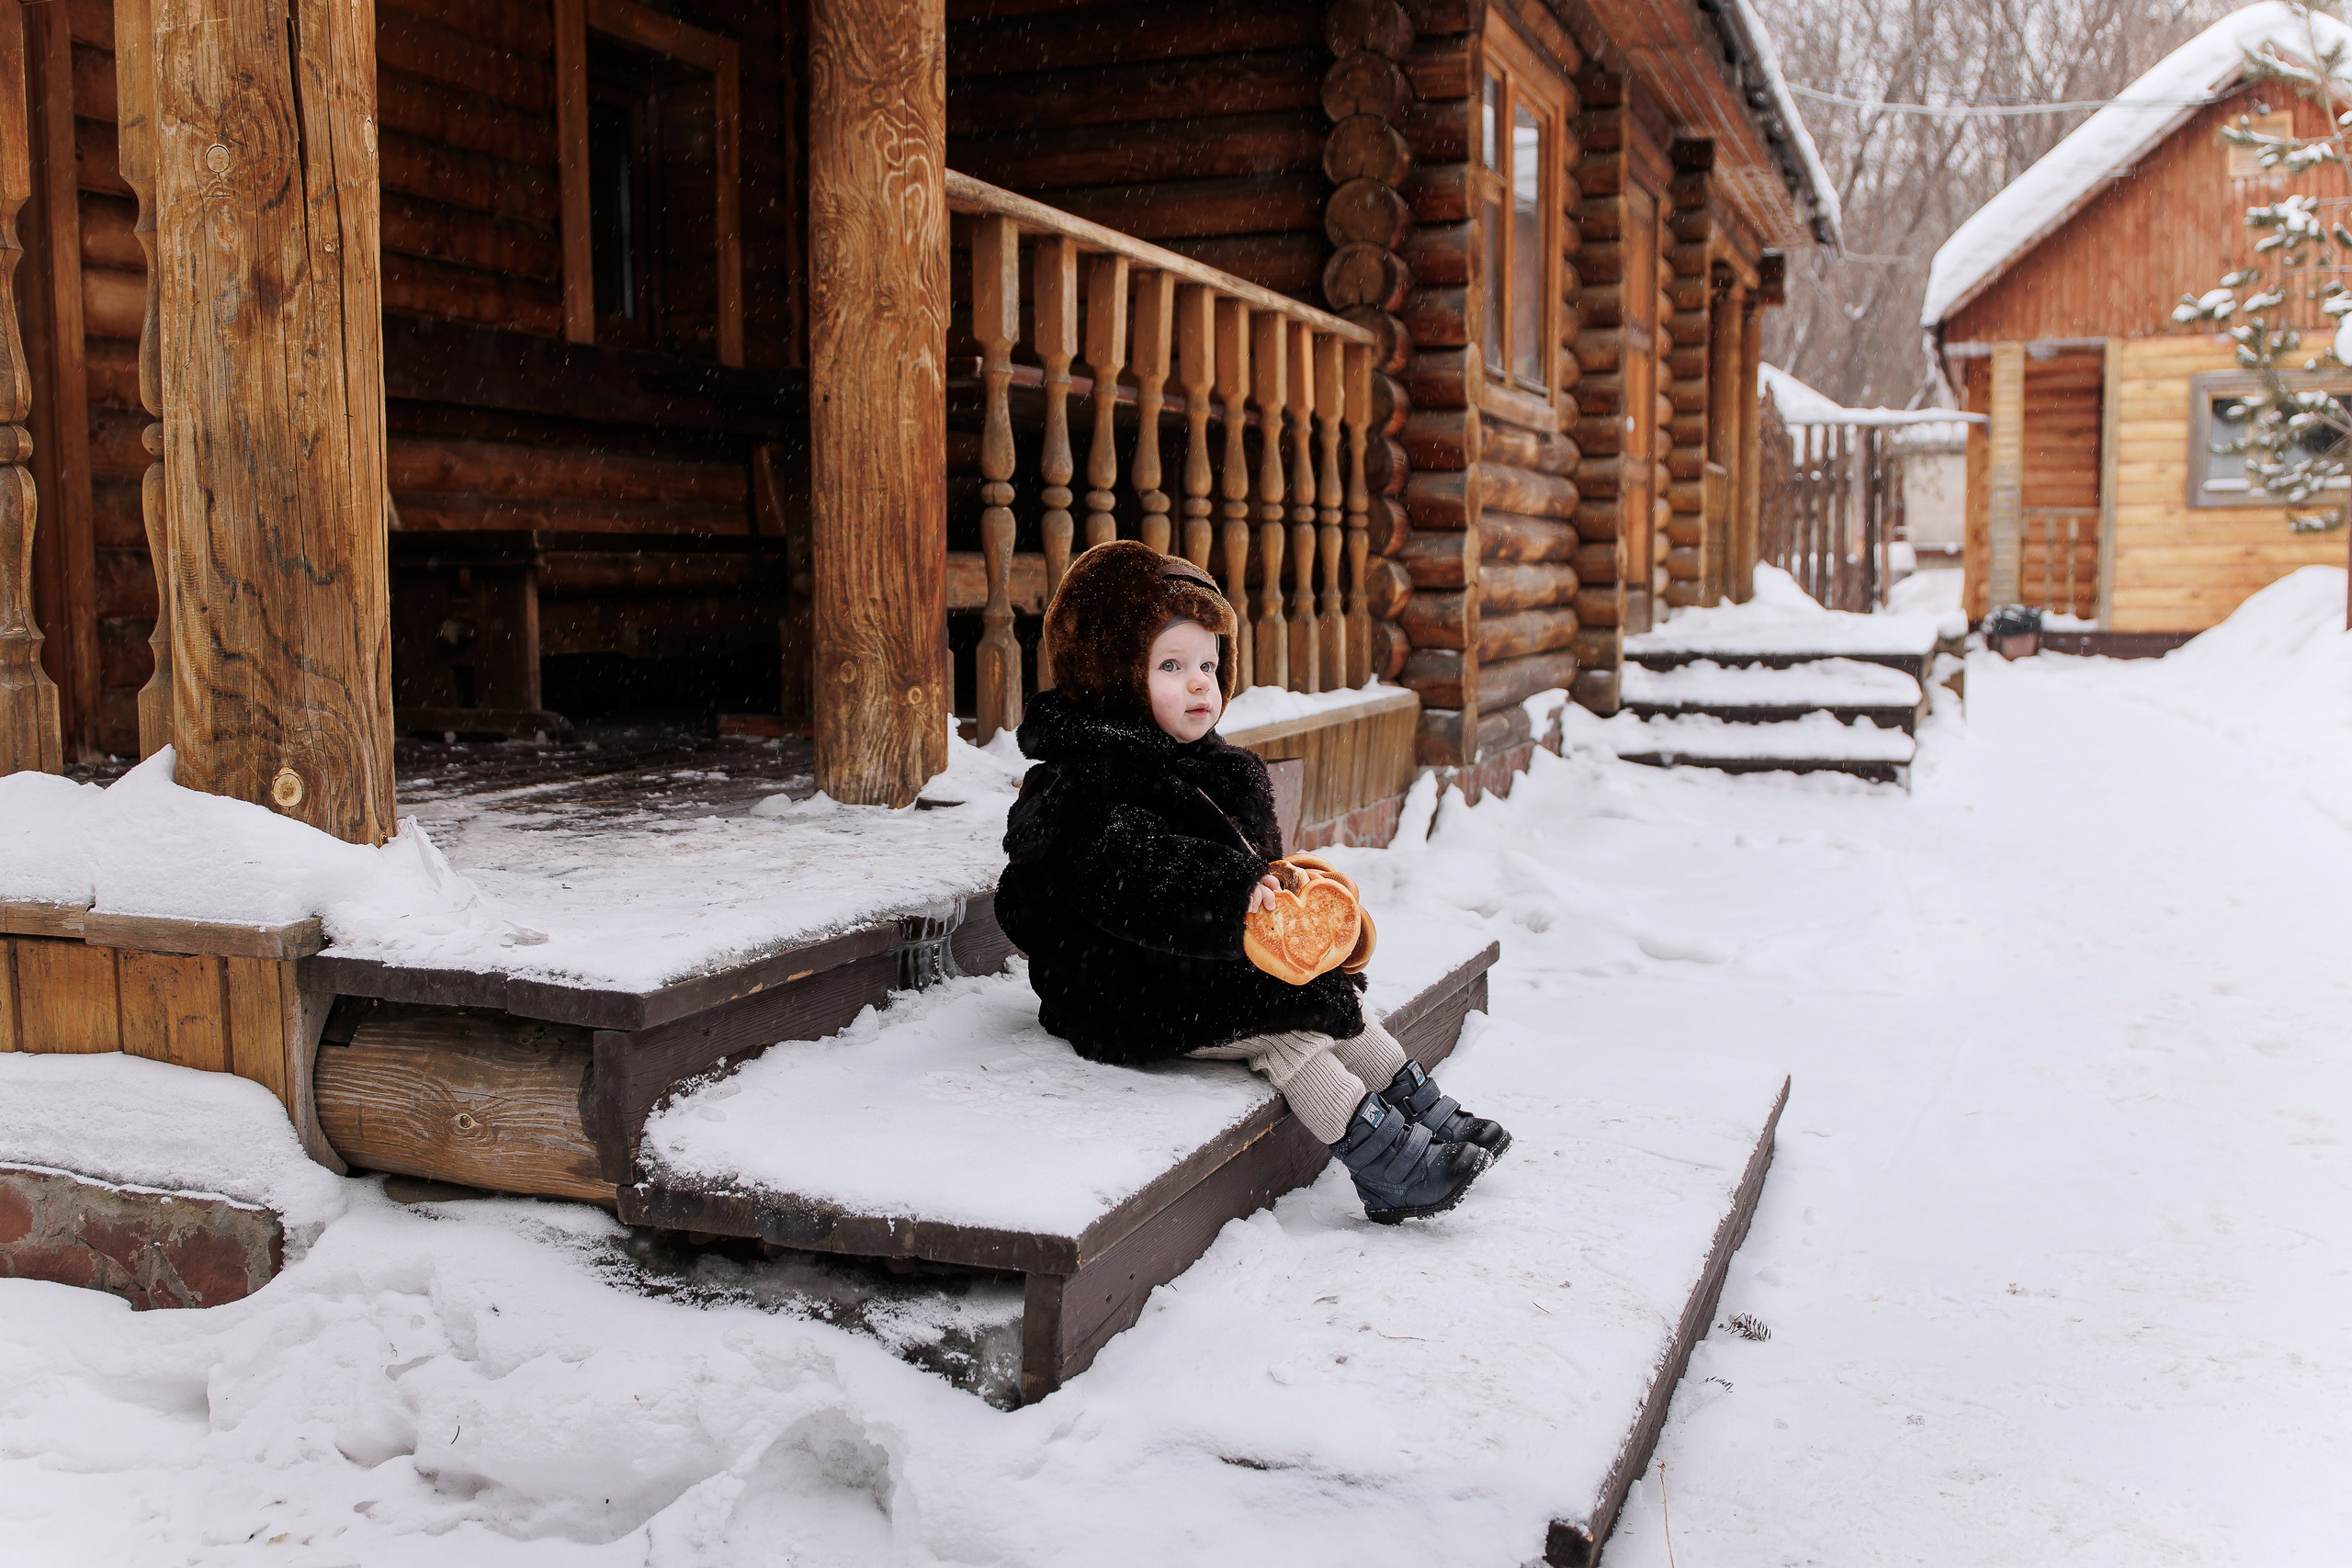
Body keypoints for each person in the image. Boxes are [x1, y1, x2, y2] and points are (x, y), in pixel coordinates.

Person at [995, 540, 1508, 1224]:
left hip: (1188, 962)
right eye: (1171, 665)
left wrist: (1285, 900)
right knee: (1286, 1028)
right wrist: (1230, 890)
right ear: (1113, 671)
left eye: (1209, 663)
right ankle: (1383, 1162)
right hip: (1114, 985)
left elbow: (1248, 866)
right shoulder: (1082, 780)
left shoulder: (1213, 766)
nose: (1201, 682)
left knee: (1326, 994)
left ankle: (1421, 1107)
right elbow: (1133, 872)